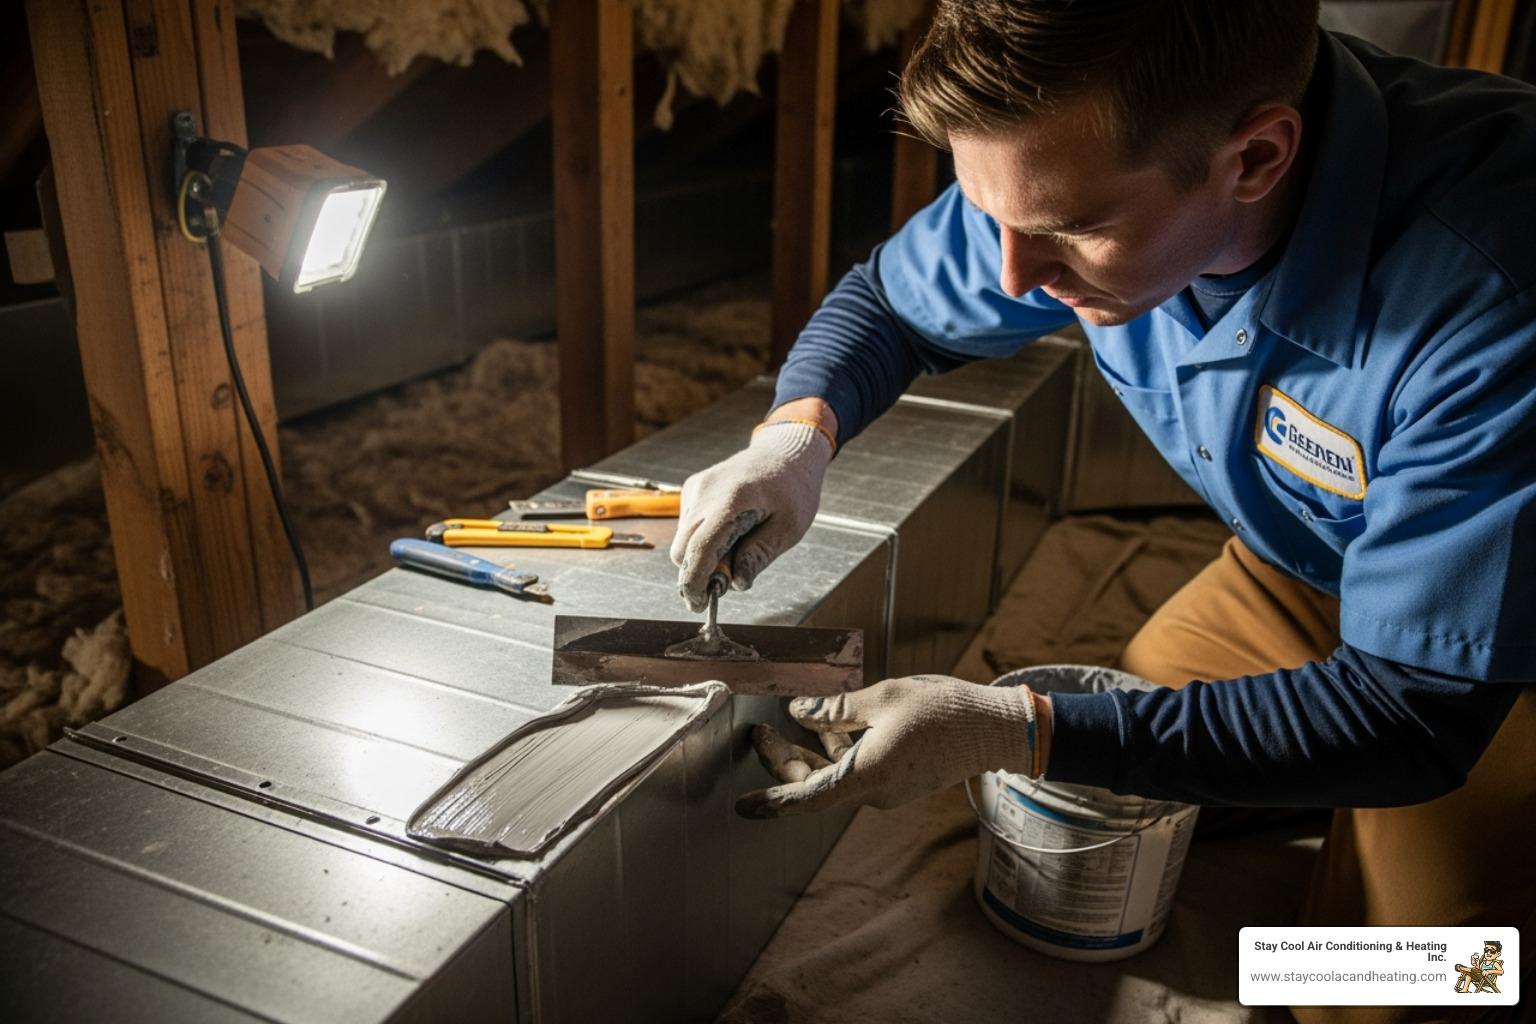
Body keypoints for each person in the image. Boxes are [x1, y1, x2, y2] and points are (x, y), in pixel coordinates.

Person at [669, 2, 1535, 1021]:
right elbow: (890, 306)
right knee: (1102, 787)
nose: (1012, 276)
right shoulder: (1080, 161)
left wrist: (1016, 726)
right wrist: (795, 439)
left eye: (1069, 232)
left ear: (1256, 157)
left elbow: (1412, 714)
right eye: (992, 217)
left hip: (1492, 656)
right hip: (1312, 566)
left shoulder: (1494, 295)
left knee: (1411, 983)